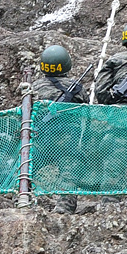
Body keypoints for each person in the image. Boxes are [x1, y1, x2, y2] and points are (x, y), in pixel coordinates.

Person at [31, 45, 88, 212]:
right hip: (68, 140)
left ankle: (22, 201)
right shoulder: (76, 87)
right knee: (69, 176)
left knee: (26, 170)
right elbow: (86, 112)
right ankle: (64, 209)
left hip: (41, 138)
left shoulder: (35, 87)